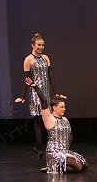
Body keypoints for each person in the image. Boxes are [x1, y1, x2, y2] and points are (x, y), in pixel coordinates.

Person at [14, 33, 65, 163]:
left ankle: (50, 147)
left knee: (48, 120)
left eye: (43, 45)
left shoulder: (46, 58)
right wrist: (22, 96)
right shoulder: (28, 60)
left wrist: (56, 92)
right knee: (38, 121)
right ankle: (40, 148)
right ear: (33, 45)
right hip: (36, 93)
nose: (41, 47)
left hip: (46, 93)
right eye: (39, 45)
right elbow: (27, 79)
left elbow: (51, 76)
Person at [25, 77, 87, 174]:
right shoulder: (49, 119)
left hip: (65, 151)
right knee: (78, 167)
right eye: (62, 107)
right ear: (54, 107)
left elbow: (70, 135)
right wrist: (35, 86)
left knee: (85, 165)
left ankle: (56, 166)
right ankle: (52, 167)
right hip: (55, 153)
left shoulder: (65, 119)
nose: (64, 109)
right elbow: (44, 101)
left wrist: (67, 150)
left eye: (64, 107)